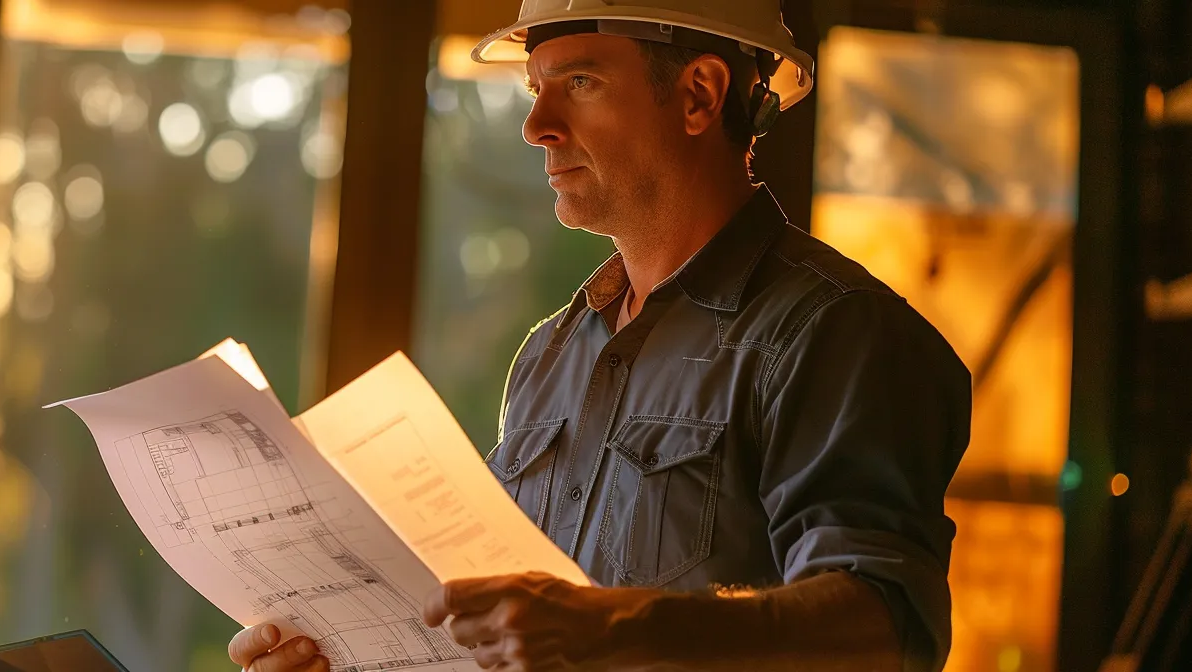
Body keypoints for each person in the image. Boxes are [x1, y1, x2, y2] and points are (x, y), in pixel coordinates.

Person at [228, 1, 970, 670]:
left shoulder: (838, 333)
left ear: (698, 95)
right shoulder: (552, 354)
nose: (536, 125)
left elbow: (887, 627)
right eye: (535, 88)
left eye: (579, 82)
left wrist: (627, 629)